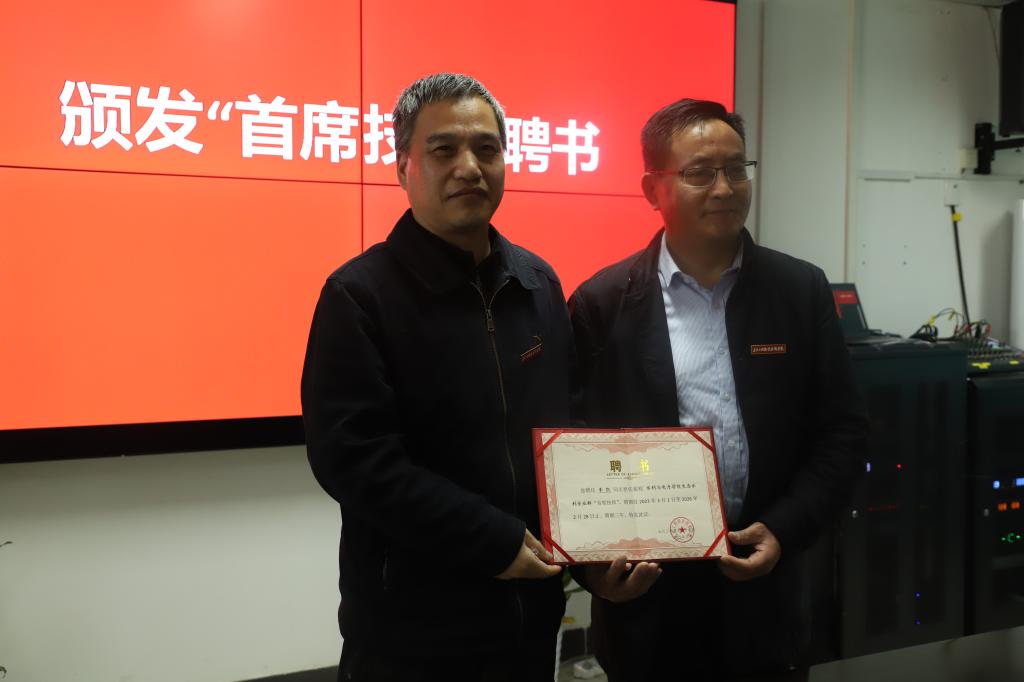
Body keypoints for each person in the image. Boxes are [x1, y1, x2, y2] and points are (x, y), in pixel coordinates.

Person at [568, 98, 868, 681]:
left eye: (736, 168)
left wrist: (783, 529)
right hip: (648, 602)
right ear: (653, 189)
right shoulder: (601, 303)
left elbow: (843, 432)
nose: (725, 188)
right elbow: (574, 446)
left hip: (764, 590)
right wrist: (594, 570)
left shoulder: (798, 289)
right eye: (701, 173)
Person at [301, 73, 572, 682]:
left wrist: (601, 546)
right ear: (404, 167)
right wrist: (490, 539)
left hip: (530, 617)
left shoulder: (538, 283)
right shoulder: (359, 295)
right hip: (412, 631)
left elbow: (567, 431)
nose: (469, 168)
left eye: (486, 149)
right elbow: (353, 461)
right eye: (444, 149)